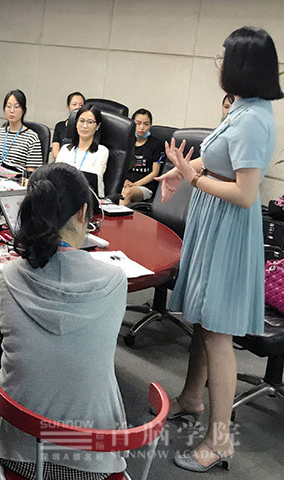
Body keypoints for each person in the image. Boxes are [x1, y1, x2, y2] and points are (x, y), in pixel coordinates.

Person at [157, 26, 282, 472]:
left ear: (242, 65)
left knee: (218, 331)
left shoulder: (253, 119)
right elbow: (217, 157)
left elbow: (246, 194)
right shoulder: (243, 107)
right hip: (213, 220)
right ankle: (192, 397)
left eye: (224, 57)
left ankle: (220, 440)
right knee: (204, 318)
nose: (219, 64)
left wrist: (191, 178)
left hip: (229, 227)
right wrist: (181, 170)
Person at [0, 162, 127, 480]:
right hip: (93, 456)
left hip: (17, 448)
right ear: (83, 212)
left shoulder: (8, 276)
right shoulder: (115, 280)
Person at [56, 104, 109, 197]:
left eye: (90, 122)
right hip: (64, 195)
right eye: (81, 121)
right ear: (76, 123)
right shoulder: (65, 149)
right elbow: (56, 175)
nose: (84, 126)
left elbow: (93, 180)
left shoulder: (101, 151)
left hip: (90, 197)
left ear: (97, 126)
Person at [0, 89, 43, 174]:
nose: (12, 111)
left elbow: (31, 173)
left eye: (16, 107)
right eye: (8, 106)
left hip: (15, 179)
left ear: (23, 110)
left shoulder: (31, 138)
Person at [119, 108, 163, 205]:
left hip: (145, 187)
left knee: (127, 192)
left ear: (150, 125)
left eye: (146, 124)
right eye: (138, 123)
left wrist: (134, 184)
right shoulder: (127, 142)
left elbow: (155, 173)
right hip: (126, 183)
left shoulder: (156, 144)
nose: (142, 127)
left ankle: (119, 215)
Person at [52, 91, 85, 159]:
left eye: (81, 105)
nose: (78, 107)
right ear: (68, 107)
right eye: (74, 104)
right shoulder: (59, 126)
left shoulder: (86, 128)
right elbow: (55, 153)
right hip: (61, 161)